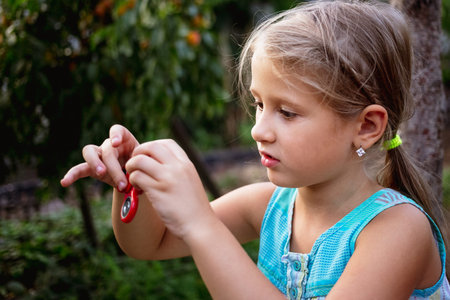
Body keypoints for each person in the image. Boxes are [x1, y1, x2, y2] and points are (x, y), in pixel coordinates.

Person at [61, 1, 450, 298]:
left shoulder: (398, 231)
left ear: (366, 126)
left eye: (287, 112)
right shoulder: (270, 207)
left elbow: (195, 230)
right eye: (260, 104)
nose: (258, 129)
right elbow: (150, 244)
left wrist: (201, 224)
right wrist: (134, 184)